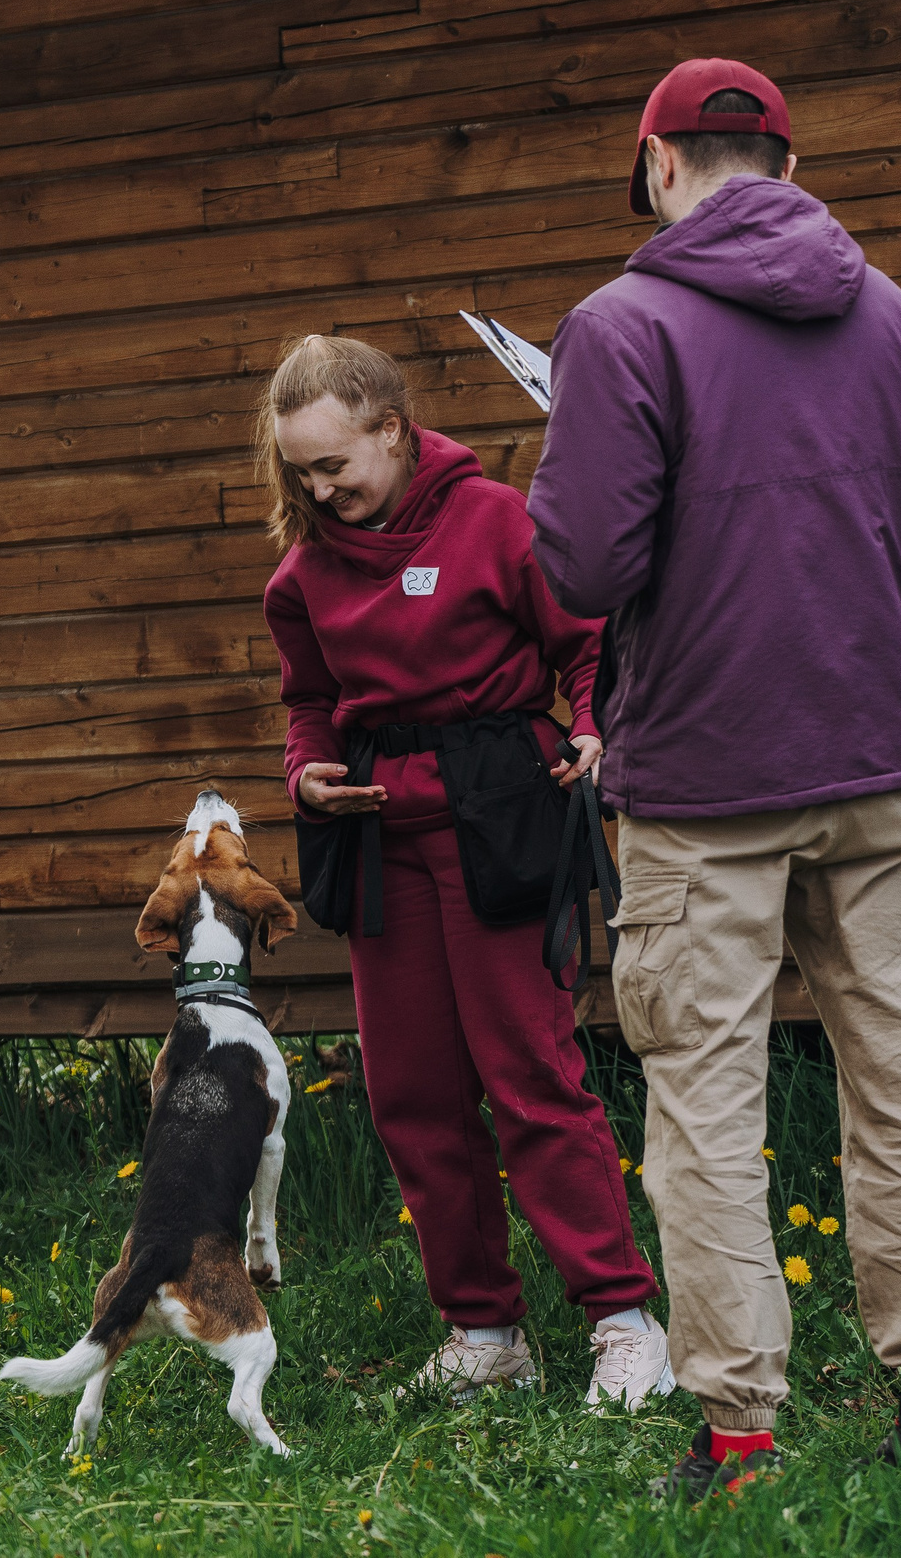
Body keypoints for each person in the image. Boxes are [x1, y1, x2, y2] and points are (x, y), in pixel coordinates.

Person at [526, 58, 901, 1497]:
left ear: (659, 162)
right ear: (784, 163)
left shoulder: (620, 327)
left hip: (705, 775)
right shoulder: (888, 309)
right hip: (871, 745)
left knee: (710, 1108)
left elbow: (584, 568)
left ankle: (740, 1439)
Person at [257, 333, 677, 1410]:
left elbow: (585, 645)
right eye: (300, 471)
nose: (319, 487)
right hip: (377, 830)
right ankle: (483, 1329)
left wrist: (593, 730)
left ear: (391, 431)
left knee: (531, 1076)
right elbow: (308, 703)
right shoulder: (303, 572)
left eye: (334, 464)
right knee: (411, 1094)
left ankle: (624, 1323)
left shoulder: (494, 517)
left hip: (501, 807)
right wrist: (306, 776)